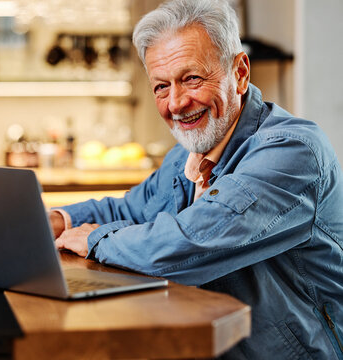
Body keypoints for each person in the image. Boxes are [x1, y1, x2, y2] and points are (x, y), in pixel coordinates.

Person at [49, 0, 343, 359]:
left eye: (192, 79)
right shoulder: (189, 153)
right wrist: (60, 221)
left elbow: (191, 240)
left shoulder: (293, 152)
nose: (176, 103)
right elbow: (132, 207)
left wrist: (95, 238)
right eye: (161, 87)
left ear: (240, 72)